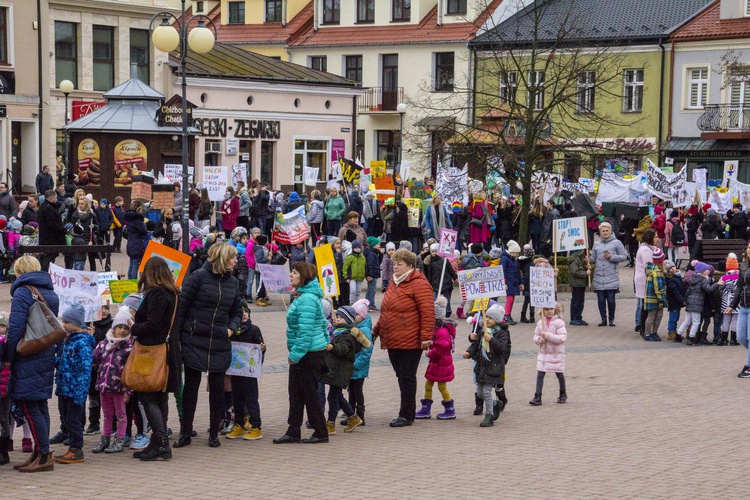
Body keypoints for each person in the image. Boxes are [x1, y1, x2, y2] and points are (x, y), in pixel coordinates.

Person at [173, 244, 242, 449]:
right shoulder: (198, 277)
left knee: (218, 389)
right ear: (222, 258)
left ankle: (213, 433)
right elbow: (182, 307)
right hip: (194, 339)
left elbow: (237, 311)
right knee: (191, 388)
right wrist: (179, 336)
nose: (236, 260)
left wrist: (231, 329)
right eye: (233, 257)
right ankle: (185, 431)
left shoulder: (233, 283)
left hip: (220, 341)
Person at [4, 256, 59, 472]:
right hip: (44, 350)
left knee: (28, 405)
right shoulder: (50, 292)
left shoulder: (22, 292)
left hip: (27, 353)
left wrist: (9, 356)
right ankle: (39, 452)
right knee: (40, 404)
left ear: (19, 271)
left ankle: (44, 455)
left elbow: (16, 327)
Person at [373, 248, 434, 427]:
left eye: (399, 264)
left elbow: (427, 312)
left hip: (411, 339)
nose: (396, 267)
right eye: (394, 264)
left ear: (410, 265)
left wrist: (425, 337)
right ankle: (406, 410)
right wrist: (376, 330)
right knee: (401, 376)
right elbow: (387, 311)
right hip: (393, 338)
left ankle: (407, 414)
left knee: (407, 376)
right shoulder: (394, 281)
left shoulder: (419, 283)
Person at [128, 257, 181, 460]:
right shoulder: (174, 293)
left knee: (147, 394)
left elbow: (153, 323)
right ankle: (159, 441)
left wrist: (134, 327)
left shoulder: (157, 293)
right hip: (168, 349)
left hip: (154, 350)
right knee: (160, 394)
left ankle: (160, 441)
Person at [273, 262, 330, 444]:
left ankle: (320, 431)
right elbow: (322, 323)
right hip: (308, 352)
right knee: (296, 393)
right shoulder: (306, 296)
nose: (291, 275)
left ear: (303, 276)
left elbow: (306, 333)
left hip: (308, 354)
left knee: (308, 393)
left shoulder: (307, 299)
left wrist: (295, 355)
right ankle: (293, 430)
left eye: (295, 272)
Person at [53, 303, 96, 465]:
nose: (64, 325)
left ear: (76, 323)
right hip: (65, 387)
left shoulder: (82, 343)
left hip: (75, 389)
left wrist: (81, 391)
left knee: (73, 420)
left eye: (66, 322)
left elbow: (86, 369)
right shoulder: (69, 340)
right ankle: (72, 446)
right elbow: (65, 361)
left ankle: (76, 449)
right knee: (66, 418)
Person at [321, 305, 371, 435]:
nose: (337, 319)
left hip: (341, 370)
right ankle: (353, 418)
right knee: (337, 397)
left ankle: (330, 424)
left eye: (340, 317)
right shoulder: (340, 332)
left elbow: (343, 349)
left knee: (333, 397)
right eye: (336, 317)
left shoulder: (347, 335)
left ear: (348, 320)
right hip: (337, 369)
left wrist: (332, 347)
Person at [90, 309, 133, 454]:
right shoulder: (103, 344)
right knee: (107, 414)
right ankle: (105, 438)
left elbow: (131, 371)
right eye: (119, 327)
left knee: (121, 415)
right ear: (113, 328)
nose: (122, 331)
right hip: (104, 386)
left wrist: (128, 390)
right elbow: (94, 361)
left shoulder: (128, 348)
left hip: (119, 388)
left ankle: (120, 439)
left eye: (126, 328)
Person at [463, 304, 509, 427]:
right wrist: (469, 352)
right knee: (479, 393)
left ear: (497, 321)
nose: (487, 319)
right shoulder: (482, 331)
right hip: (481, 366)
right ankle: (495, 404)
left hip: (493, 367)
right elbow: (476, 345)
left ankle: (489, 416)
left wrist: (491, 340)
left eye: (490, 318)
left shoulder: (502, 333)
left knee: (487, 392)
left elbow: (502, 348)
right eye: (486, 317)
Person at [225, 304, 265, 441]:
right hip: (236, 371)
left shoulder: (254, 330)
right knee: (237, 399)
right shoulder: (232, 331)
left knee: (251, 399)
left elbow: (260, 350)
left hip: (249, 372)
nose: (244, 314)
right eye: (241, 312)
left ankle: (256, 426)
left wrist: (262, 349)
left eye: (246, 312)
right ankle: (239, 424)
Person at [416, 297, 457, 420]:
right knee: (428, 385)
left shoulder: (442, 332)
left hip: (441, 364)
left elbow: (440, 348)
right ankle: (426, 408)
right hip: (436, 364)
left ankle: (449, 409)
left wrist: (430, 353)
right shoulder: (438, 330)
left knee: (441, 386)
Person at [590, 222, 627, 327]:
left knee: (611, 299)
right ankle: (603, 319)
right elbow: (593, 259)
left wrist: (611, 257)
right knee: (601, 300)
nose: (605, 233)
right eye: (603, 231)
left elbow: (624, 256)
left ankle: (612, 319)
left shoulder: (617, 243)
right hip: (599, 276)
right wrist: (588, 259)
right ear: (600, 232)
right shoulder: (597, 244)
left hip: (611, 275)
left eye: (607, 231)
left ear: (611, 231)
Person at [529, 303, 568, 406]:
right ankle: (537, 396)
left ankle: (563, 393)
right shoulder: (540, 323)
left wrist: (548, 335)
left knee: (559, 373)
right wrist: (539, 340)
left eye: (551, 309)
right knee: (540, 373)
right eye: (547, 309)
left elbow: (561, 338)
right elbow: (535, 336)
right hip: (544, 353)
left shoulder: (559, 323)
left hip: (556, 353)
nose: (550, 311)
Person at [679, 261, 718, 346]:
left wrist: (685, 300)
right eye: (707, 269)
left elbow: (688, 291)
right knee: (696, 322)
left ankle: (678, 334)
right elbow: (709, 289)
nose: (708, 270)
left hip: (690, 302)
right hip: (697, 303)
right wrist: (717, 284)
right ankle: (691, 338)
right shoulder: (703, 280)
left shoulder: (694, 278)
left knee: (687, 319)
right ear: (703, 271)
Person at [729, 242, 750, 377]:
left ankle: (748, 366)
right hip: (743, 306)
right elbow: (739, 287)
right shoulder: (743, 266)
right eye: (749, 247)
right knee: (741, 336)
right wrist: (732, 304)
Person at [424, 243, 458, 318]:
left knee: (446, 298)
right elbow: (429, 274)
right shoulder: (430, 262)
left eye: (435, 251)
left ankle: (448, 311)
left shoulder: (444, 260)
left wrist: (455, 278)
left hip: (446, 283)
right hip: (436, 284)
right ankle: (436, 312)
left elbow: (451, 270)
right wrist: (429, 284)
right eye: (432, 251)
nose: (434, 253)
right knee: (435, 299)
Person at [37, 189, 67, 272]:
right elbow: (52, 224)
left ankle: (45, 273)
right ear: (52, 198)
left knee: (47, 258)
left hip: (45, 238)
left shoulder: (43, 206)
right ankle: (45, 274)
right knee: (48, 259)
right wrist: (64, 229)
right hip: (50, 239)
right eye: (56, 197)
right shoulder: (49, 208)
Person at [634, 229, 656, 334]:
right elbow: (649, 266)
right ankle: (643, 327)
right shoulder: (645, 250)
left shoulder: (649, 248)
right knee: (645, 304)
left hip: (644, 278)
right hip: (644, 279)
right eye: (655, 237)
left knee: (644, 304)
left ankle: (643, 326)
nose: (658, 238)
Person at [643, 249, 667, 342]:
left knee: (656, 315)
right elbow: (659, 287)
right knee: (654, 315)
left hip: (651, 297)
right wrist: (662, 299)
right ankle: (648, 333)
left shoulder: (652, 269)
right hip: (655, 298)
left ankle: (652, 332)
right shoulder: (657, 272)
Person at [718, 254, 740, 346]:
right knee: (735, 320)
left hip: (725, 301)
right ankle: (733, 339)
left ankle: (723, 339)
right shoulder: (739, 276)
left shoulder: (724, 277)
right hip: (736, 301)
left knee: (726, 320)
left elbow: (719, 288)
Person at [664, 260, 686, 342]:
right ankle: (671, 332)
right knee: (673, 317)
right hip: (673, 301)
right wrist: (682, 300)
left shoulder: (678, 276)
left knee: (676, 316)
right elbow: (675, 291)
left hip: (677, 301)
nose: (673, 269)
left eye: (673, 266)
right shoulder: (670, 279)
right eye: (670, 268)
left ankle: (673, 331)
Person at [501, 241, 522, 324]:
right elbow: (503, 271)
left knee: (512, 299)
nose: (517, 255)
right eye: (516, 253)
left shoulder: (513, 259)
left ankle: (508, 314)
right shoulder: (505, 259)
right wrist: (504, 282)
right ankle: (507, 315)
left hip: (513, 281)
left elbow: (517, 272)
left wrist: (521, 282)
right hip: (509, 281)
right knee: (509, 299)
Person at [124, 203, 147, 280]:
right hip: (137, 245)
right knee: (135, 266)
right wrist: (141, 218)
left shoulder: (130, 219)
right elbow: (144, 231)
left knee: (131, 265)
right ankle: (134, 283)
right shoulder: (138, 221)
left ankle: (129, 281)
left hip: (131, 245)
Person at [568, 250, 590, 326]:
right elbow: (575, 272)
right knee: (576, 301)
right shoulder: (574, 260)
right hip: (576, 284)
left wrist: (586, 264)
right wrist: (585, 273)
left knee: (581, 302)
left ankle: (578, 317)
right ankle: (574, 318)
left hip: (581, 283)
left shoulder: (579, 259)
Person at [344, 239, 366, 304]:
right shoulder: (350, 257)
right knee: (353, 290)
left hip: (360, 277)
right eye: (355, 248)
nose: (357, 249)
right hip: (352, 277)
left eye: (359, 248)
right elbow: (345, 268)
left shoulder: (362, 257)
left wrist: (364, 274)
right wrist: (346, 277)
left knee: (358, 291)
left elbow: (365, 266)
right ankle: (351, 302)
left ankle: (356, 302)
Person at [364, 236, 382, 309]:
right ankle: (371, 304)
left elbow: (378, 262)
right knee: (372, 289)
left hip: (374, 273)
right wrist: (370, 275)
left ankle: (367, 303)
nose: (379, 246)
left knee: (370, 289)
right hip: (372, 274)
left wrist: (380, 254)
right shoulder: (371, 254)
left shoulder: (375, 253)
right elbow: (369, 264)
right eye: (378, 244)